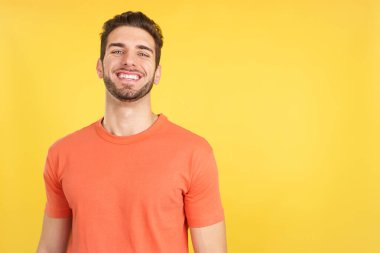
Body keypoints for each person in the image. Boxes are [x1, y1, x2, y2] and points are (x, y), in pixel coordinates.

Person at [37, 11, 227, 253]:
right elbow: (50, 248)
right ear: (99, 66)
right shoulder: (61, 153)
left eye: (142, 53)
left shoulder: (194, 153)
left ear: (157, 72)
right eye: (117, 50)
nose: (129, 60)